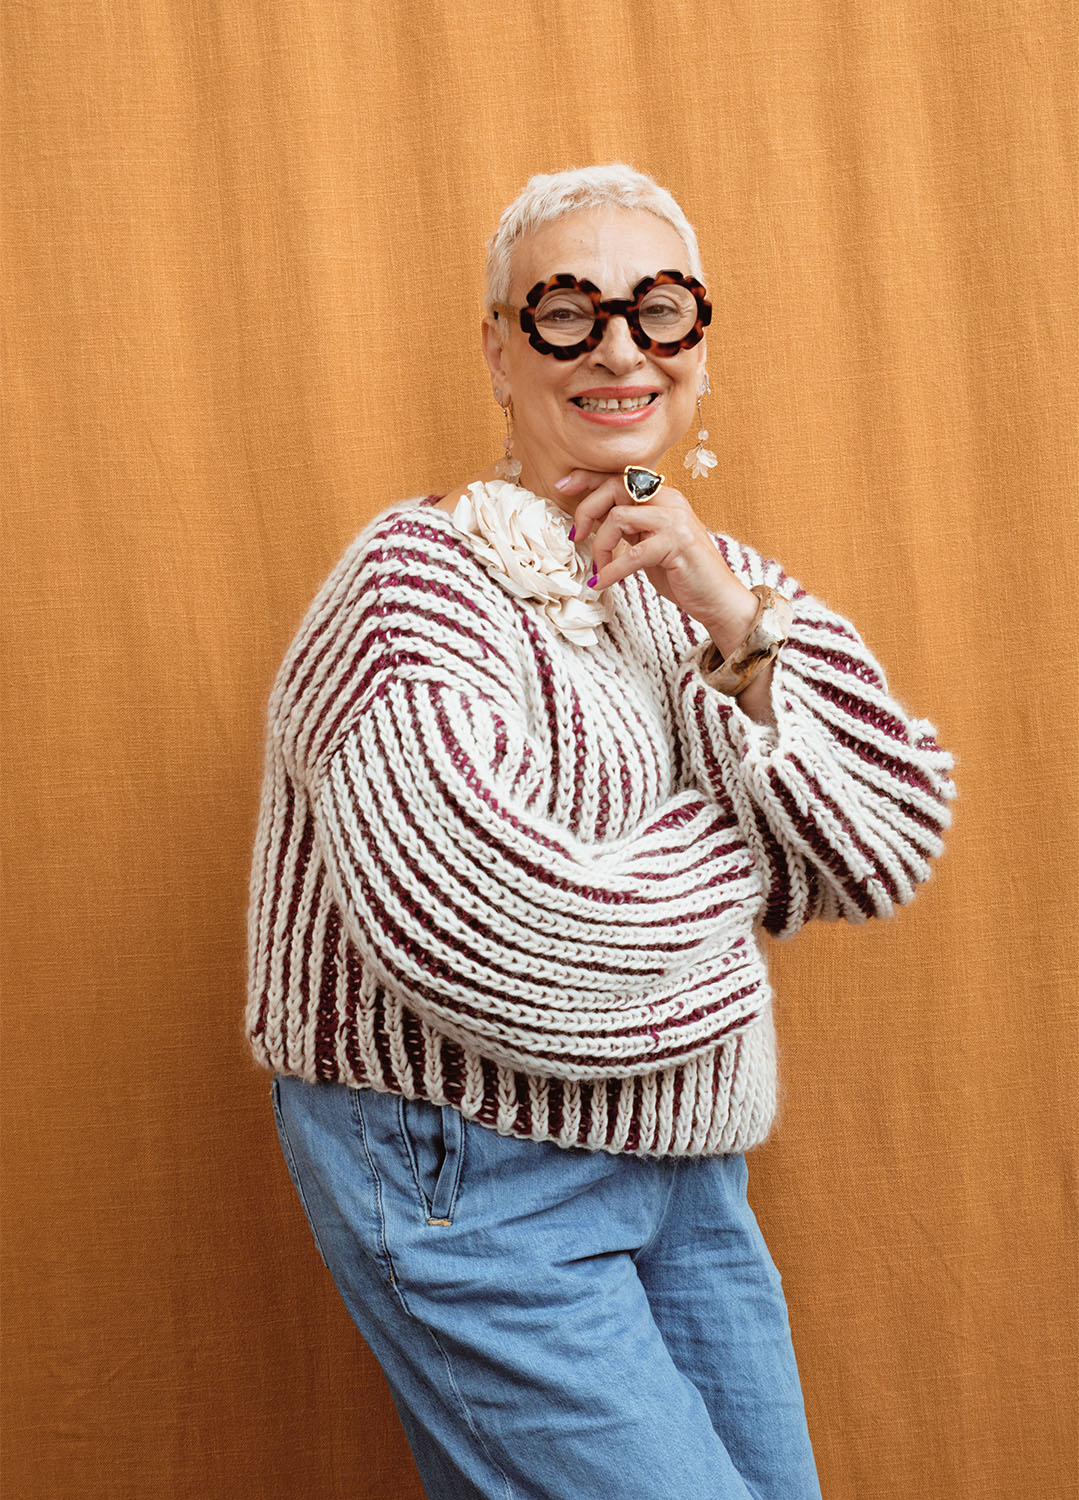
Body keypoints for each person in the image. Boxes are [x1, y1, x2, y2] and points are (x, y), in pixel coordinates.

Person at [246, 164, 956, 1500]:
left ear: (700, 346)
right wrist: (750, 854)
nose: (620, 350)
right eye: (568, 312)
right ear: (500, 349)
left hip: (685, 1170)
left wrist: (731, 621)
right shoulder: (411, 589)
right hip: (469, 1161)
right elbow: (483, 931)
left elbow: (892, 830)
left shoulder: (709, 582)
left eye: (659, 310)